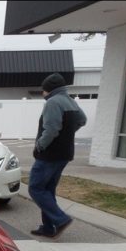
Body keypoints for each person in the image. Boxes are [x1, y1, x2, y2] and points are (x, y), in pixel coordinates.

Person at [28, 73, 87, 238]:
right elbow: (82, 120)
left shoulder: (53, 102)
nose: (42, 93)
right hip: (64, 153)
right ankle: (48, 227)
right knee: (48, 190)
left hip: (49, 154)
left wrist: (40, 145)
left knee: (35, 188)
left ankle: (60, 219)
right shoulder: (69, 100)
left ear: (48, 89)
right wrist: (67, 133)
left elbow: (52, 129)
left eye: (43, 90)